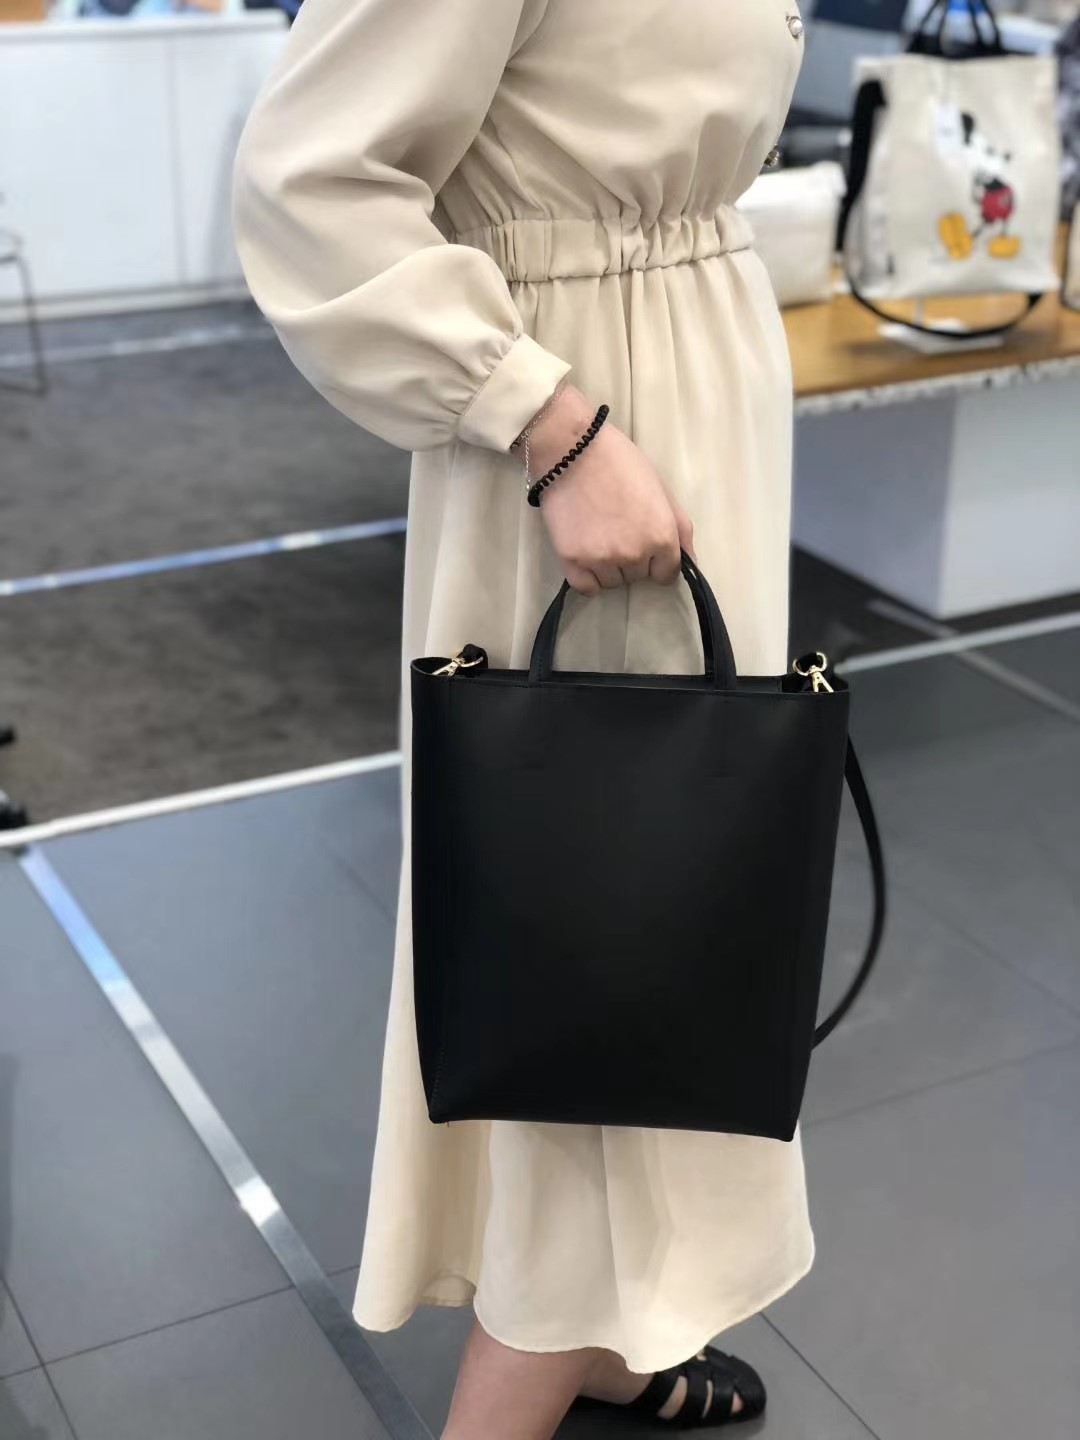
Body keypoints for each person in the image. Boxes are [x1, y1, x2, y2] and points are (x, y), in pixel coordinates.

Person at [231, 1, 812, 1434]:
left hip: (690, 379)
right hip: (596, 421)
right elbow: (311, 176)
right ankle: (521, 1384)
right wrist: (549, 425)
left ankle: (602, 1333)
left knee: (664, 914)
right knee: (594, 937)